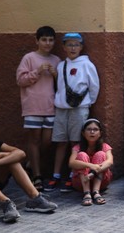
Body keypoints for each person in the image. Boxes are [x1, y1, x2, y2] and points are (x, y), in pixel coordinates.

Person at [49, 32, 100, 192]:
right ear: (64, 47)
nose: (73, 48)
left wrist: (87, 103)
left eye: (76, 44)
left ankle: (74, 175)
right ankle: (56, 175)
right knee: (61, 142)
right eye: (69, 44)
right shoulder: (61, 65)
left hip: (79, 109)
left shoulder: (87, 64)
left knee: (76, 143)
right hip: (61, 109)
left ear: (81, 47)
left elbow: (94, 86)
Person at [15, 25, 60, 191]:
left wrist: (56, 75)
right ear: (37, 41)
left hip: (51, 106)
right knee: (34, 140)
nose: (47, 43)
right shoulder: (29, 58)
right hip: (32, 106)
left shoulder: (56, 60)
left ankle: (31, 164)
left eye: (50, 40)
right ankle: (37, 175)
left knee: (47, 141)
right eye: (44, 39)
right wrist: (37, 71)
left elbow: (63, 84)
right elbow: (20, 80)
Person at [68, 119, 113, 206]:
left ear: (100, 133)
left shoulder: (105, 146)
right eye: (89, 129)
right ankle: (86, 192)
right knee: (82, 155)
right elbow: (71, 163)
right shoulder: (78, 147)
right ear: (83, 133)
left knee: (100, 154)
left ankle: (96, 192)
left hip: (101, 182)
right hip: (81, 181)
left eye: (95, 129)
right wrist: (90, 165)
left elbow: (109, 162)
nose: (92, 132)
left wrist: (93, 173)